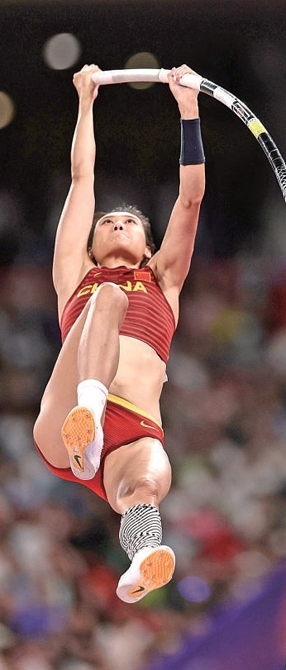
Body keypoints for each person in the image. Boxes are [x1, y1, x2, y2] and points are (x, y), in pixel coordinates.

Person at [33, 63, 206, 603]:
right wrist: (86, 103)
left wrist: (189, 110)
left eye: (129, 222)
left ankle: (139, 560)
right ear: (90, 242)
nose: (116, 223)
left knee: (148, 485)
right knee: (107, 298)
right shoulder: (77, 277)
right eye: (106, 222)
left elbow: (190, 199)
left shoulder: (164, 280)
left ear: (149, 247)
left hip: (130, 431)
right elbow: (81, 179)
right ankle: (88, 416)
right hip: (70, 413)